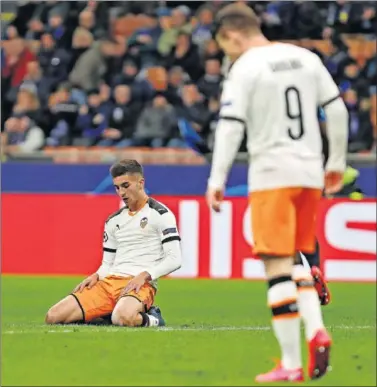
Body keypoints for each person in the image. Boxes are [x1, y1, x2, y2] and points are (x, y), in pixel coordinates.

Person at [206, 4, 348, 383]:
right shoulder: (305, 58)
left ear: (232, 35)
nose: (227, 54)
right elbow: (336, 109)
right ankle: (315, 327)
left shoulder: (245, 68)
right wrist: (335, 160)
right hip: (310, 172)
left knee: (275, 267)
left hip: (272, 173)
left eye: (225, 46)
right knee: (298, 258)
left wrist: (217, 178)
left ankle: (289, 363)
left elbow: (231, 126)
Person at [45, 159, 182, 327]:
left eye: (126, 185)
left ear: (141, 183)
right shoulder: (113, 221)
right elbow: (107, 263)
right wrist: (97, 275)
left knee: (123, 318)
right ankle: (109, 314)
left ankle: (154, 318)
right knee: (54, 317)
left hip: (139, 285)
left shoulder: (160, 214)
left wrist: (146, 275)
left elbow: (175, 259)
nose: (121, 192)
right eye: (117, 187)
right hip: (109, 283)